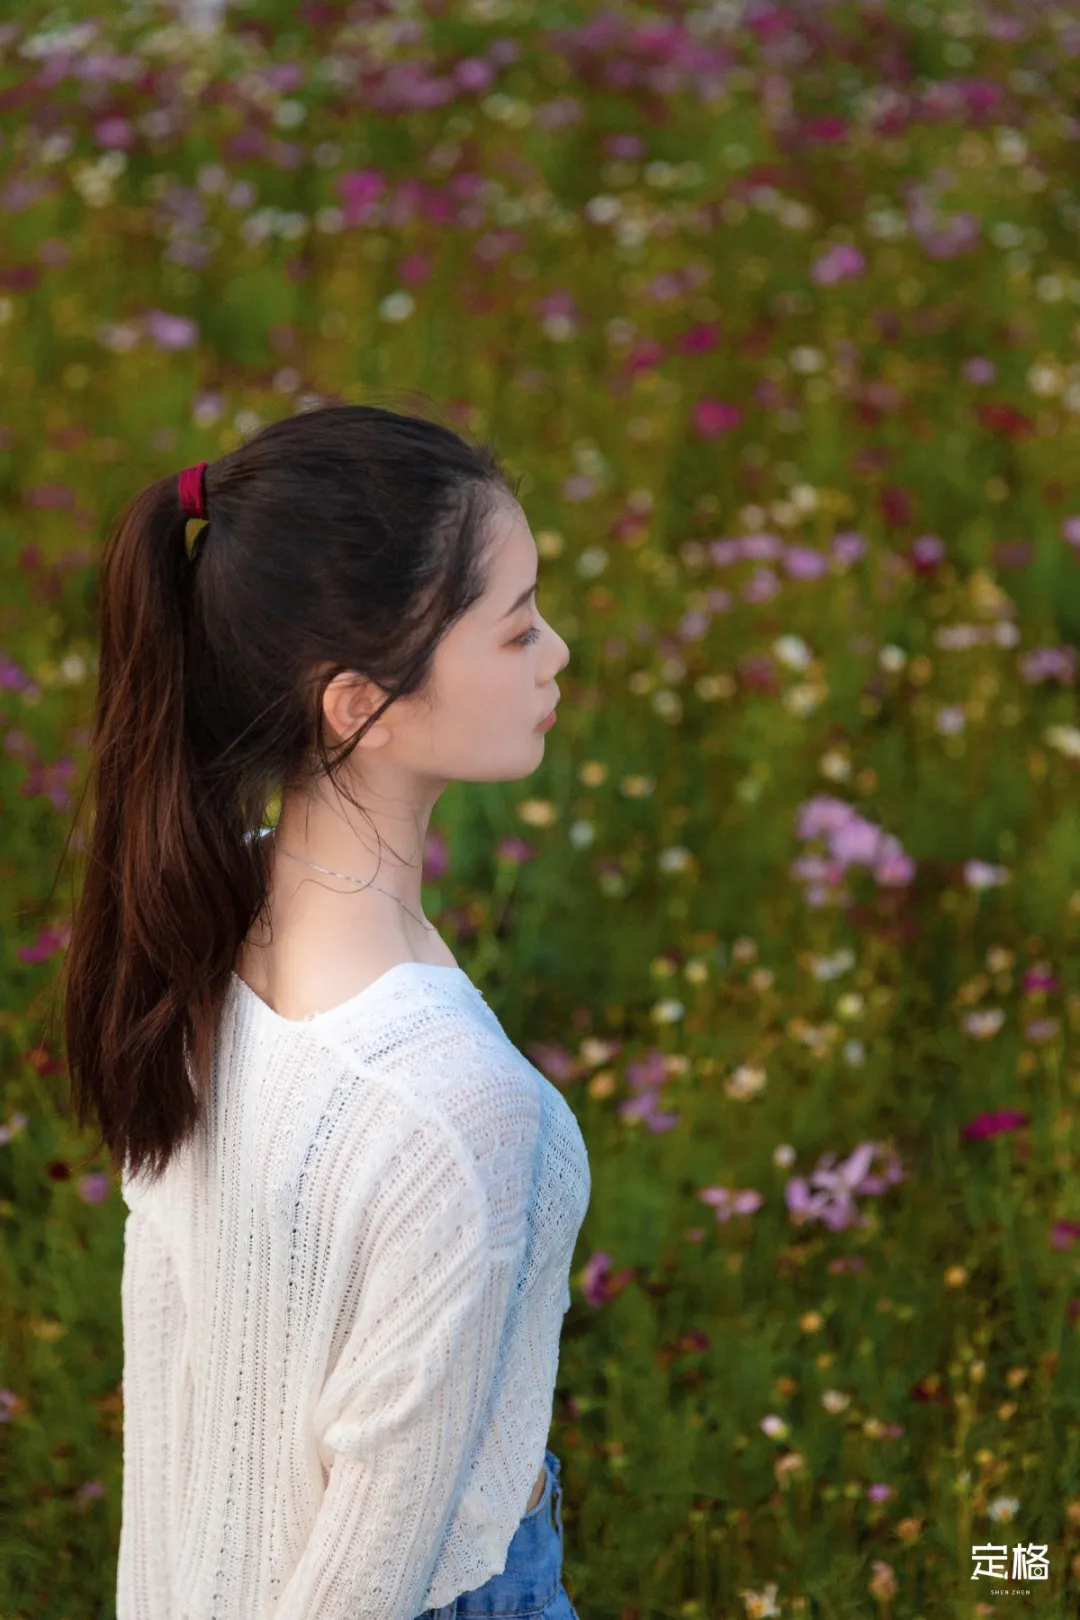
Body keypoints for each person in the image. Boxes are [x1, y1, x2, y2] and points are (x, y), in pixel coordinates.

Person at [57, 402, 589, 1620]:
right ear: (358, 703)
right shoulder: (458, 1106)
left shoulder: (206, 914)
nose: (557, 653)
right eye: (516, 633)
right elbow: (361, 1588)